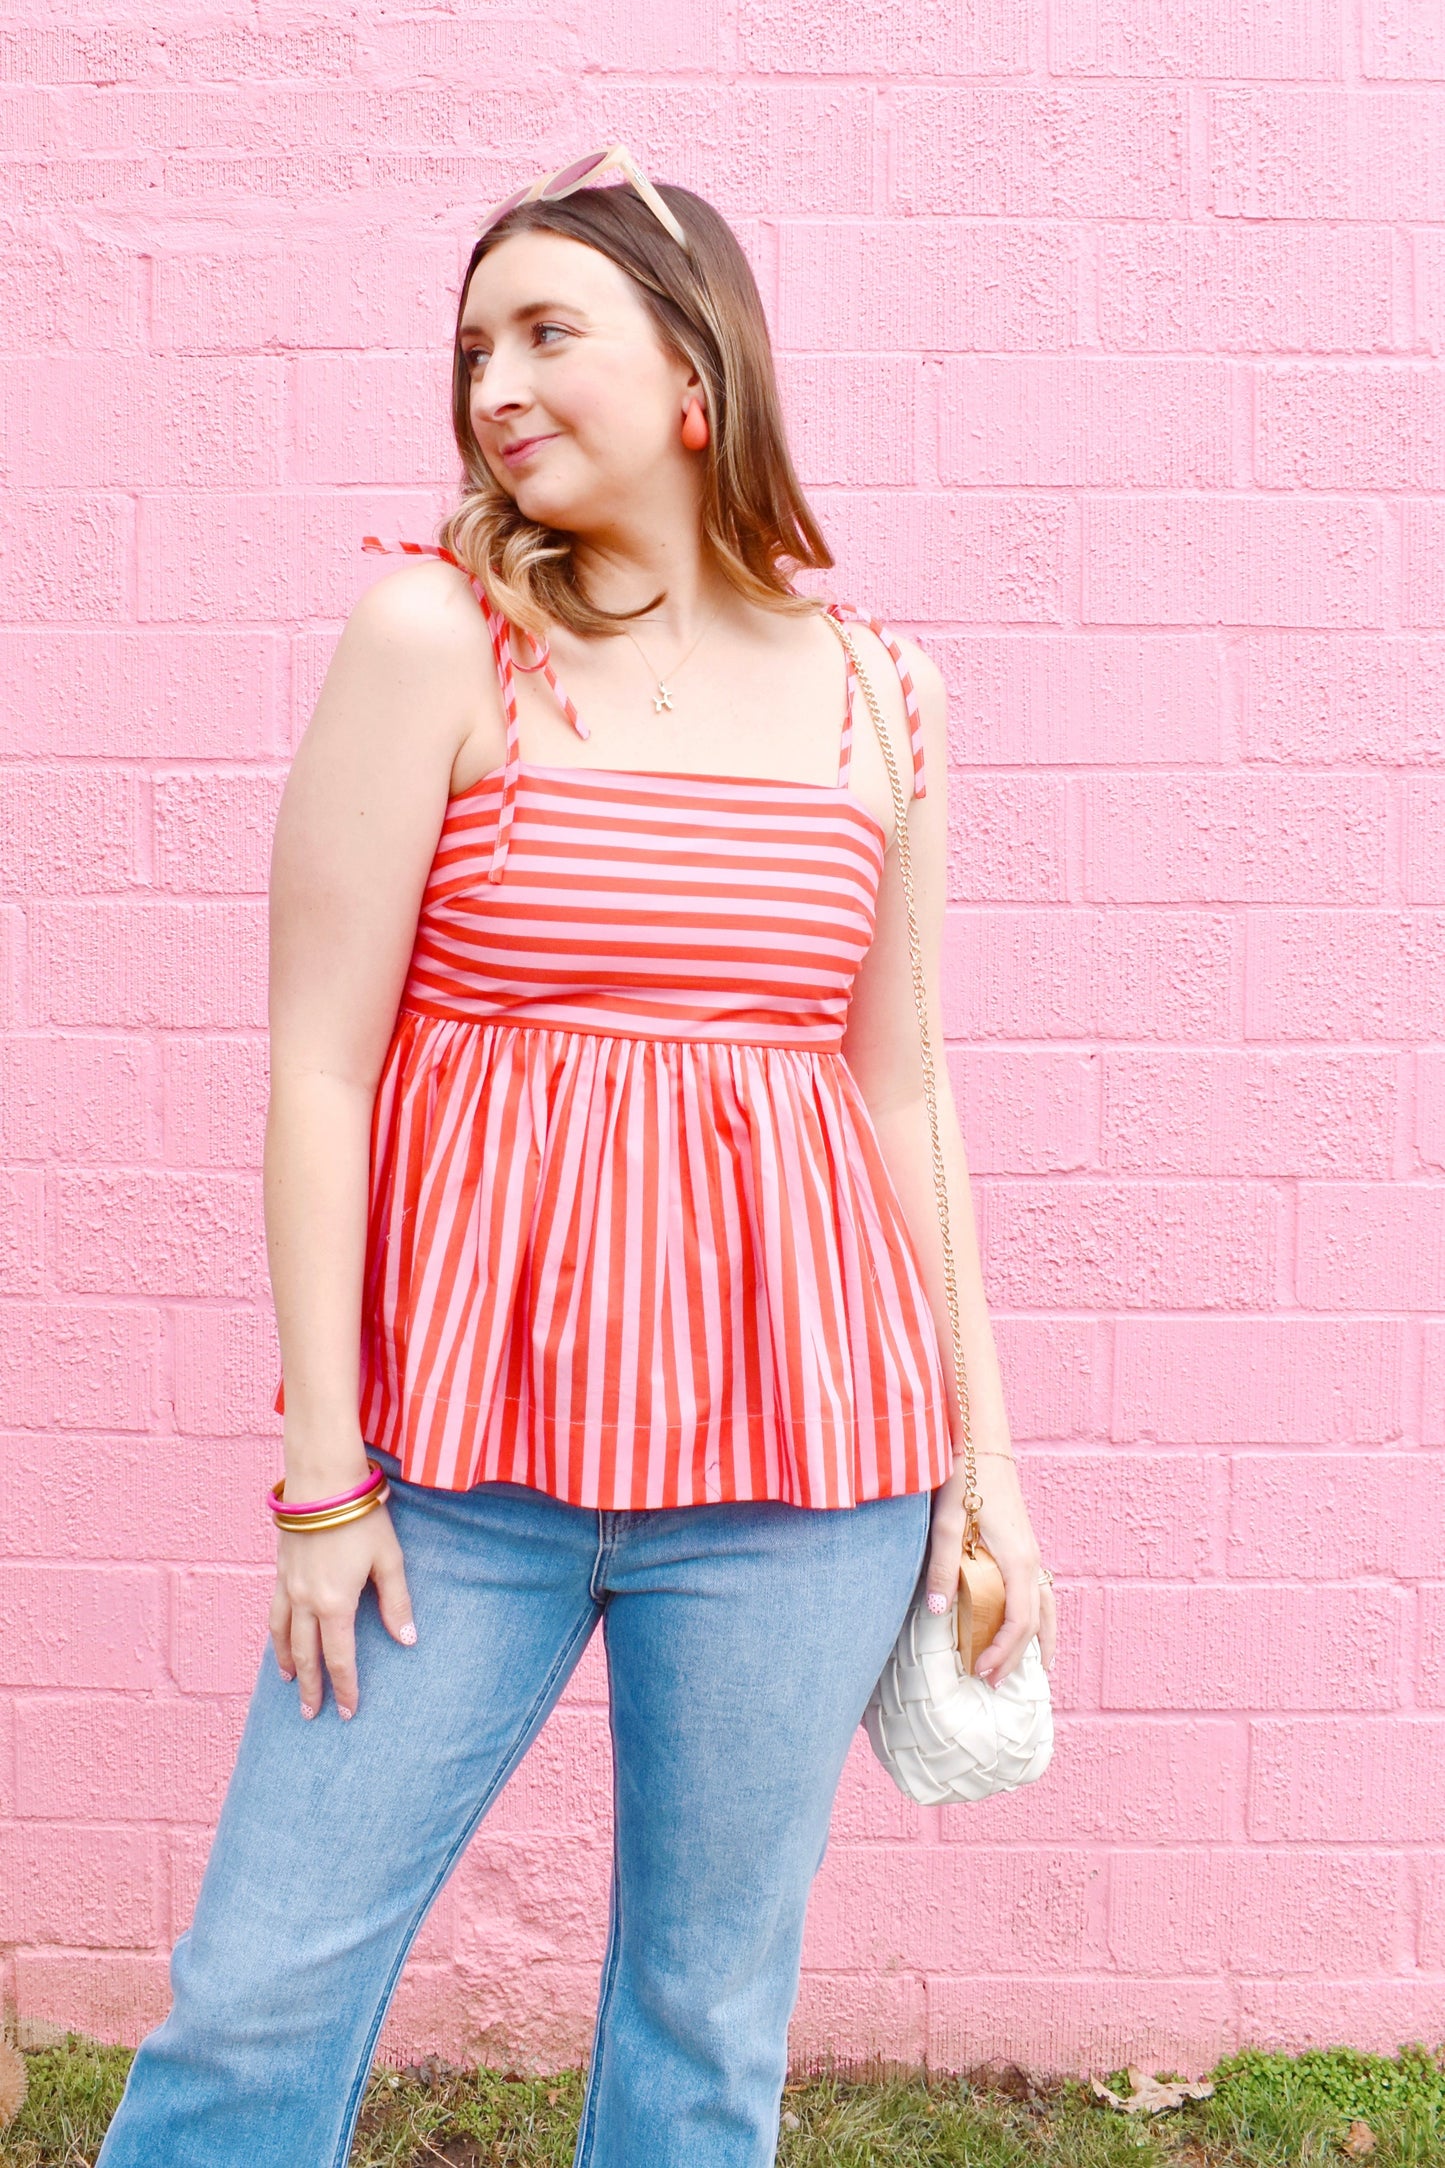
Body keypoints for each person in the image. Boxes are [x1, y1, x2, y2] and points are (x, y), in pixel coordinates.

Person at [98, 148, 1057, 2168]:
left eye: (549, 333)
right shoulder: (433, 643)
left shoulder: (887, 694)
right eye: (472, 347)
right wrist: (317, 1476)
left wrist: (987, 1470)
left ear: (697, 375)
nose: (493, 387)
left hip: (808, 1477)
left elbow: (904, 1092)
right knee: (259, 1993)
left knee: (707, 2031)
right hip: (452, 1473)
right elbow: (318, 1069)